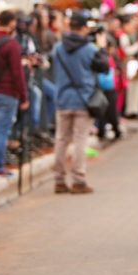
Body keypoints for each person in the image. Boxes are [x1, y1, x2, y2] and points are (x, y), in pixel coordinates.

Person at [51, 11, 110, 194]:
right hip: (84, 100)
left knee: (61, 140)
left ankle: (59, 180)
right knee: (79, 141)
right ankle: (78, 181)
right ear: (84, 28)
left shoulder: (58, 48)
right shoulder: (90, 49)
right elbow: (104, 67)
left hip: (62, 99)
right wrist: (101, 47)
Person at [0, 10, 29, 179]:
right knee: (2, 130)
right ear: (11, 23)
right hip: (7, 92)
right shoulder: (12, 44)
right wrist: (24, 97)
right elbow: (18, 74)